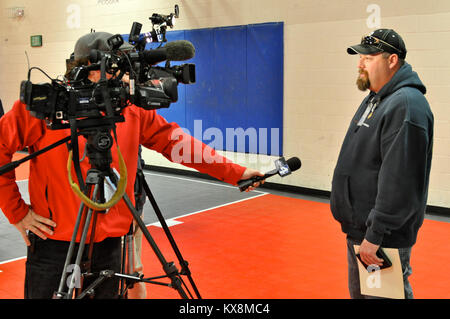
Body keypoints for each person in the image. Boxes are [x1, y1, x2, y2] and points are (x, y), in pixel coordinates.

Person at [0, 31, 263, 299]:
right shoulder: (40, 107)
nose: (128, 77)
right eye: (121, 68)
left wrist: (235, 172)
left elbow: (176, 143)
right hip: (55, 242)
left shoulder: (129, 107)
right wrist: (17, 213)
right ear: (93, 70)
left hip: (112, 242)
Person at [330, 28, 433, 299]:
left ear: (392, 61)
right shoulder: (376, 99)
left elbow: (399, 181)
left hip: (380, 239)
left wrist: (375, 235)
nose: (360, 63)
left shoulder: (406, 105)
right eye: (360, 57)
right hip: (364, 233)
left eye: (369, 57)